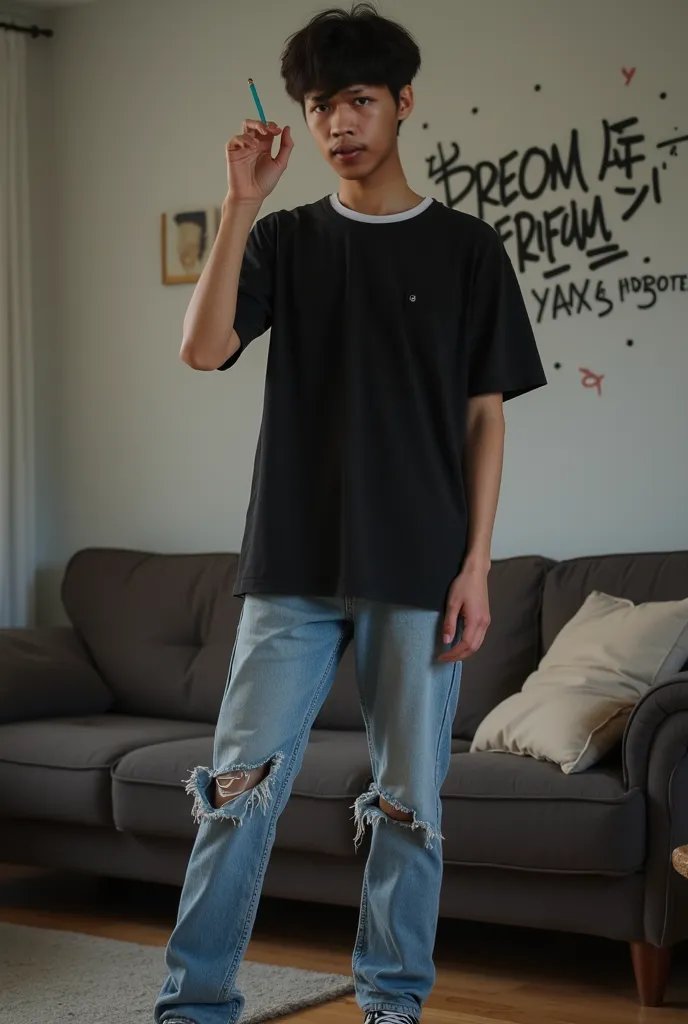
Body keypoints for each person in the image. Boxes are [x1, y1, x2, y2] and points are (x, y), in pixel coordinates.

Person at [154, 5, 546, 1024]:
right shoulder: (285, 238)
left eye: (358, 99)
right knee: (235, 792)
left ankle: (391, 1005)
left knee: (409, 810)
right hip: (290, 565)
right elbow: (201, 349)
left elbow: (483, 418)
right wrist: (239, 204)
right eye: (322, 103)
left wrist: (476, 566)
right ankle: (193, 1008)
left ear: (403, 102)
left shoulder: (467, 249)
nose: (338, 122)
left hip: (418, 569)